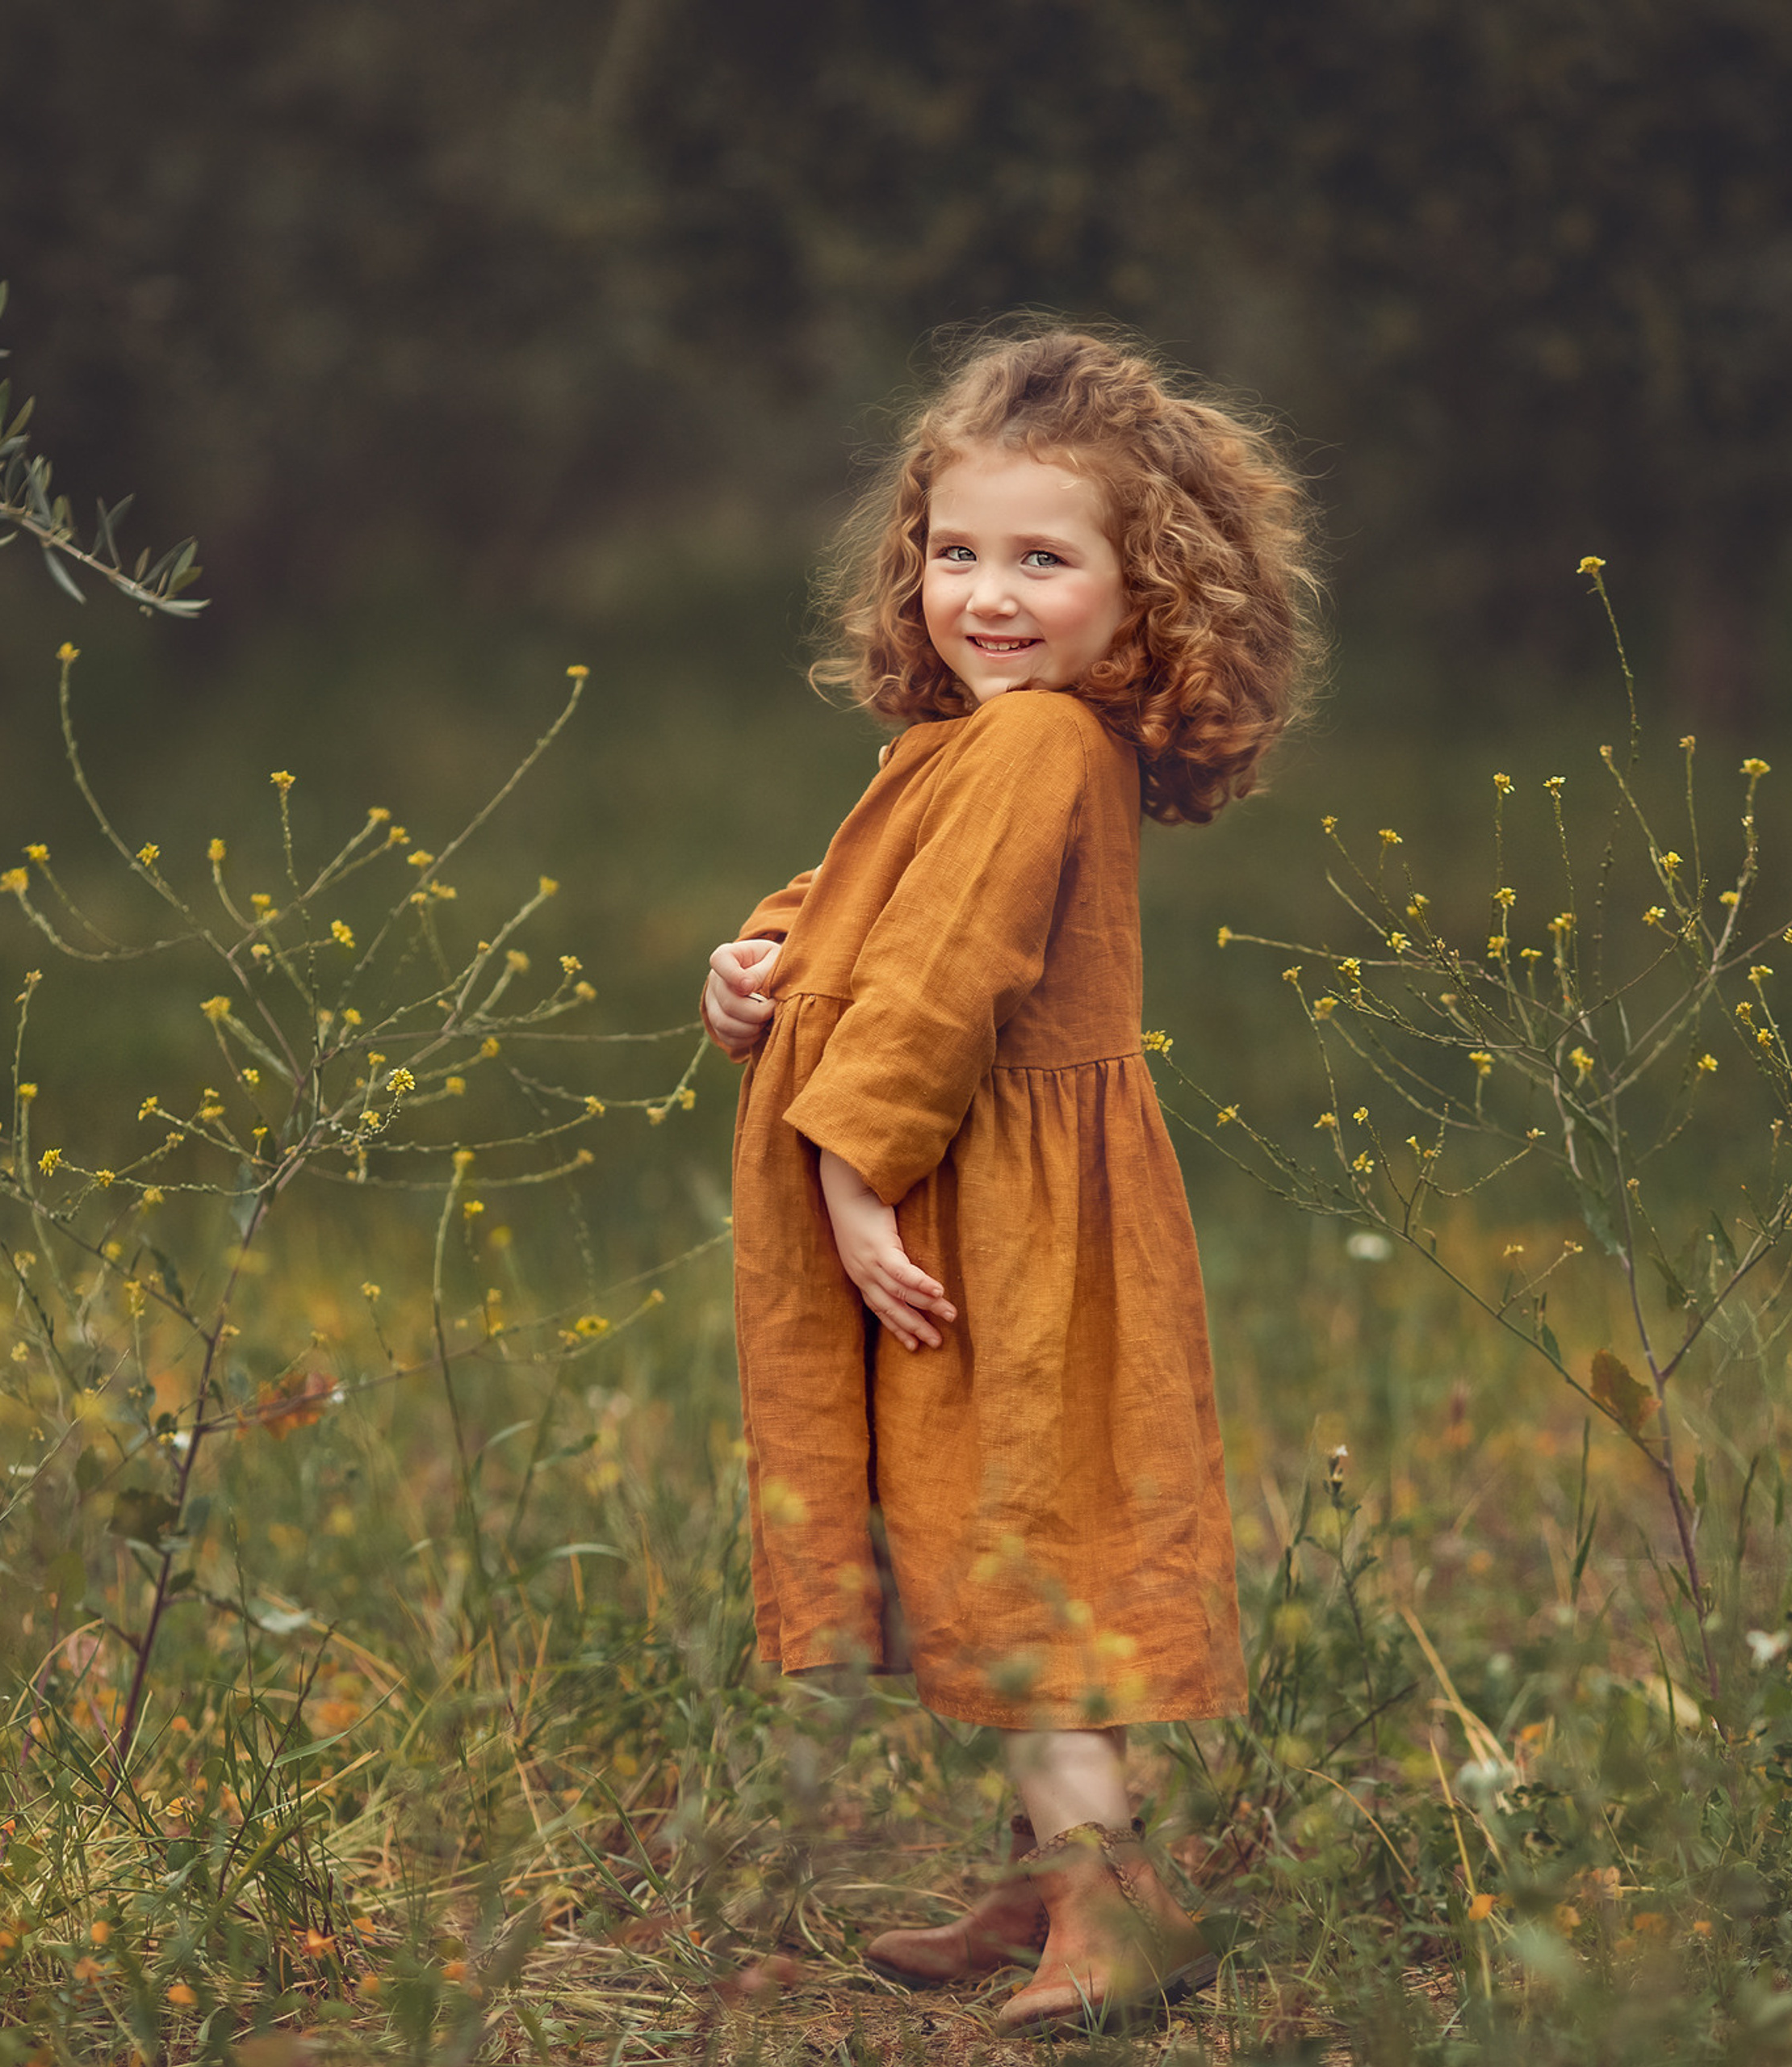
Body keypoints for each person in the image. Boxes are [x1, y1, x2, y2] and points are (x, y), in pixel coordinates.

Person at [700, 325, 1318, 2034]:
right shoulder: (960, 742)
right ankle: (1068, 1878)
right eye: (954, 552)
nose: (986, 592)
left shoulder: (1043, 743)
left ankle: (1110, 1906)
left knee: (1034, 1553)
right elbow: (854, 904)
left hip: (999, 1215)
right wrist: (750, 960)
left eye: (1042, 558)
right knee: (985, 1541)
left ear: (1147, 594)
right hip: (966, 1186)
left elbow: (942, 974)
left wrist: (851, 1174)